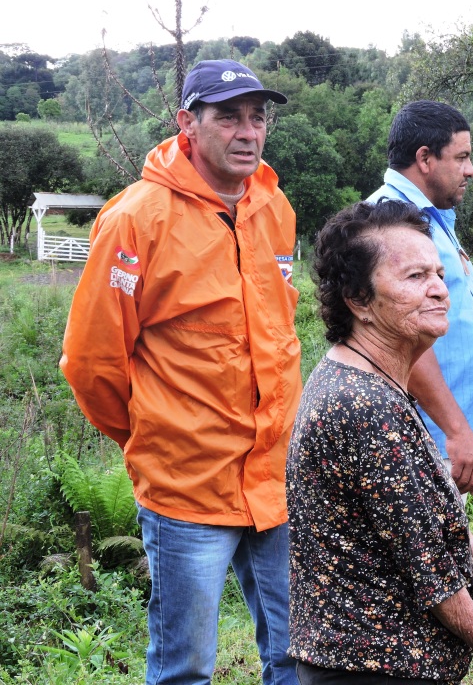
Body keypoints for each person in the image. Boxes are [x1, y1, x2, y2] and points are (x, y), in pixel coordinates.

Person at [60, 59, 301, 685]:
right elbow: (91, 361)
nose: (249, 132)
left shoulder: (274, 207)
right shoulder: (135, 219)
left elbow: (280, 330)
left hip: (274, 478)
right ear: (187, 124)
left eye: (258, 117)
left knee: (298, 656)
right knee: (185, 668)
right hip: (186, 488)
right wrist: (152, 437)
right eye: (229, 117)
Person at [286, 199, 473, 685]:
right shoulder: (363, 405)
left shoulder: (372, 381)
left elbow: (404, 520)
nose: (439, 290)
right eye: (415, 277)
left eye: (439, 274)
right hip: (370, 667)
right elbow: (428, 569)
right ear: (359, 299)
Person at [365, 101, 473, 495]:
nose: (470, 170)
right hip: (423, 442)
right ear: (424, 159)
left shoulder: (428, 217)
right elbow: (404, 337)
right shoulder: (389, 223)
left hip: (439, 441)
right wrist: (457, 430)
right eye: (461, 157)